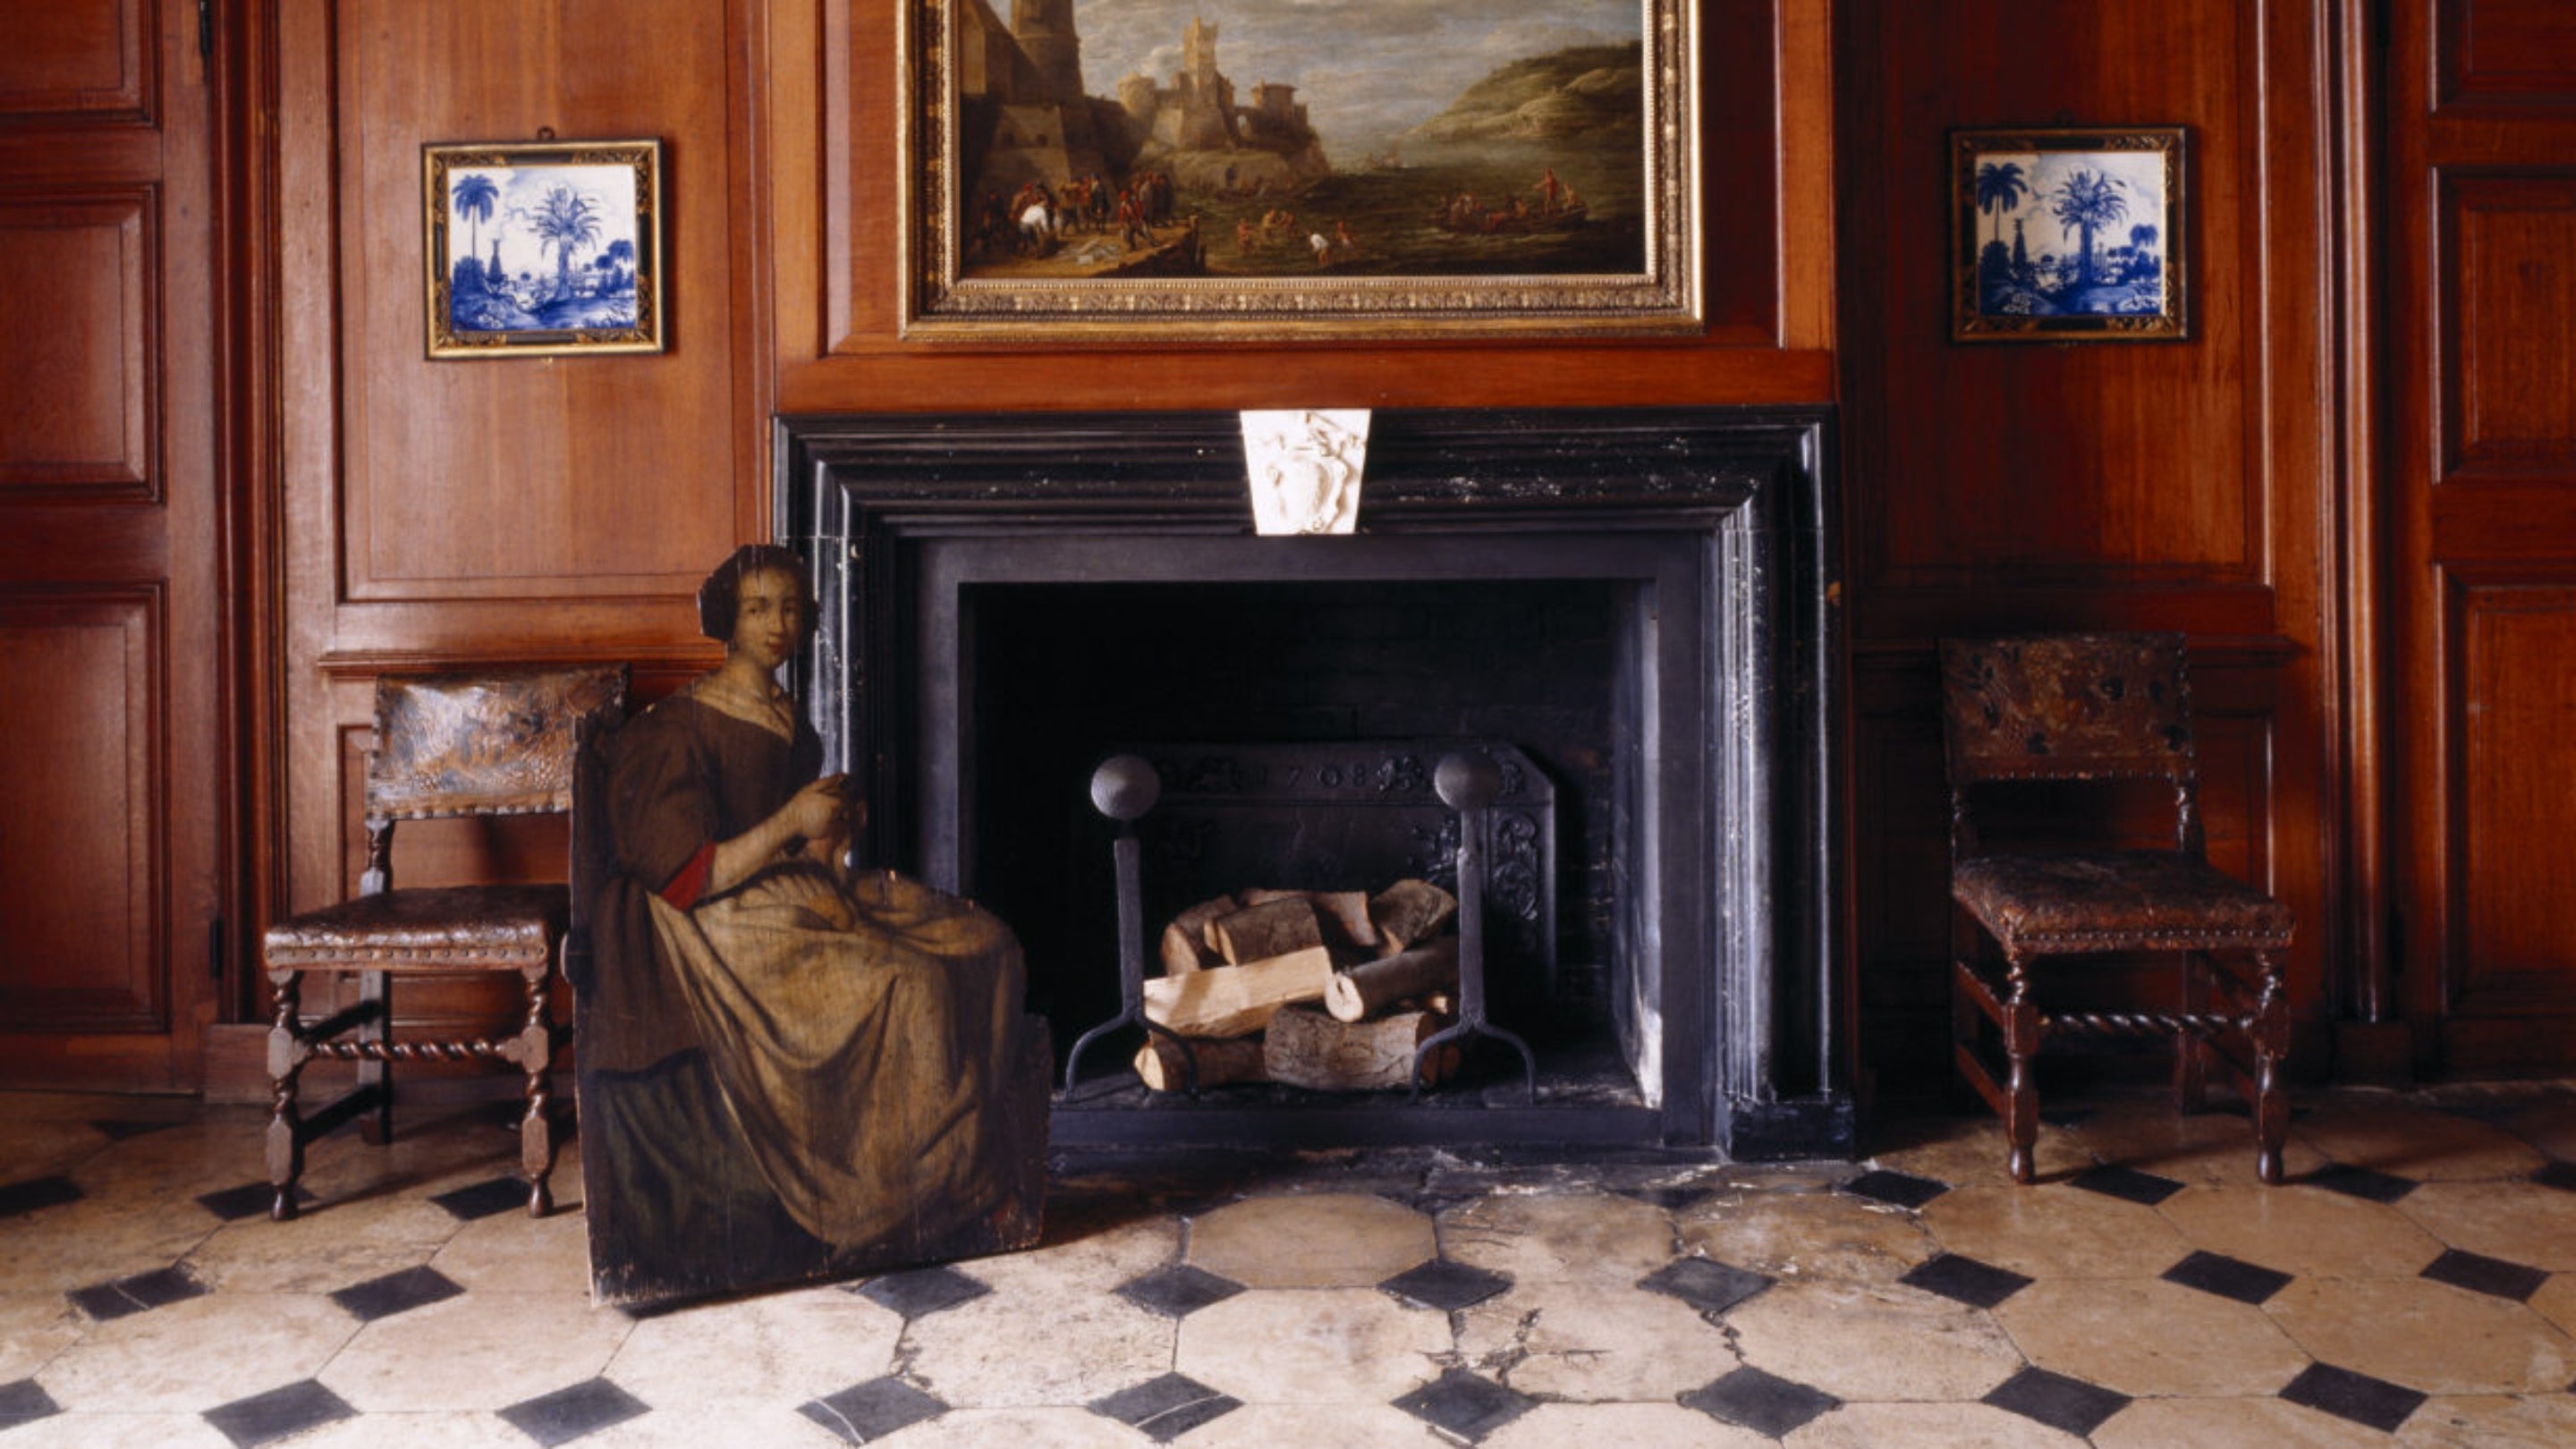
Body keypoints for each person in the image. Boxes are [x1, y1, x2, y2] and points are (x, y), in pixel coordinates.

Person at [579, 544, 1043, 1302]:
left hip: (789, 888)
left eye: (792, 607)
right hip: (715, 918)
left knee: (984, 942)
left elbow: (800, 843)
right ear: (726, 618)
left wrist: (829, 831)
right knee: (910, 981)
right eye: (758, 608)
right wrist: (795, 820)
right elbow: (687, 876)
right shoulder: (678, 728)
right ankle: (908, 1198)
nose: (778, 624)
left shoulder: (787, 718)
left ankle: (969, 1177)